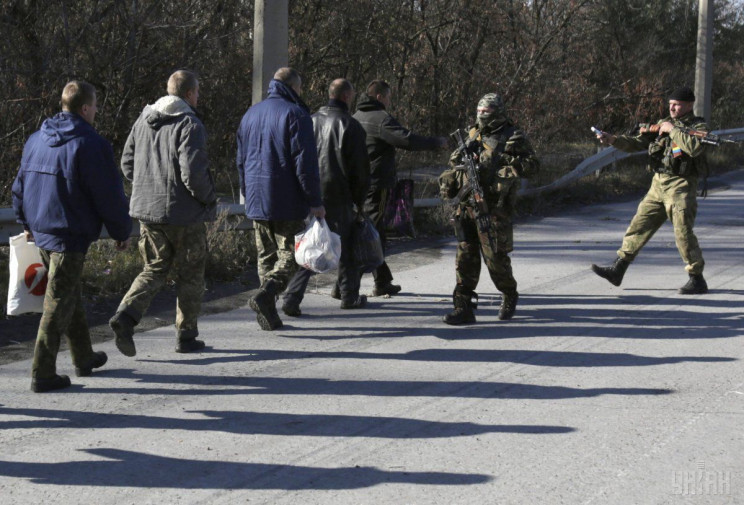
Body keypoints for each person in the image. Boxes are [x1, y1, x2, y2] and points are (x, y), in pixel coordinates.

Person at [12, 80, 132, 392]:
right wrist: (121, 231)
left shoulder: (36, 139)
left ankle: (84, 356)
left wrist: (24, 220)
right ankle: (43, 371)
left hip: (41, 230)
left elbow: (20, 185)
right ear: (84, 108)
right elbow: (107, 195)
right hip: (68, 234)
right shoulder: (91, 144)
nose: (96, 112)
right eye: (94, 107)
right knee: (58, 301)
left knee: (68, 293)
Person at [109, 70, 217, 357]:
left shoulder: (143, 119)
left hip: (147, 211)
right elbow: (193, 174)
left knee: (154, 268)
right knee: (190, 274)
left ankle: (126, 316)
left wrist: (146, 187)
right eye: (197, 92)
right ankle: (186, 335)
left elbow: (127, 163)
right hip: (184, 215)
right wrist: (208, 200)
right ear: (190, 93)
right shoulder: (189, 124)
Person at [591, 86, 709, 294]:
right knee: (639, 225)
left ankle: (696, 278)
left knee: (682, 232)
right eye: (670, 104)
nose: (672, 108)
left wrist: (672, 130)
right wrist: (613, 140)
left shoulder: (697, 125)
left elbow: (694, 148)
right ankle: (618, 269)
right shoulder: (662, 124)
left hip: (681, 184)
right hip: (658, 183)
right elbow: (638, 143)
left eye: (677, 104)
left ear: (689, 105)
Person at [236, 67, 325, 330]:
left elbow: (240, 160)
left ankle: (268, 312)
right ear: (295, 88)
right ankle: (267, 294)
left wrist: (246, 193)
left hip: (255, 197)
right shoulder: (296, 114)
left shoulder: (250, 114)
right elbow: (305, 163)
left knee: (266, 256)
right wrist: (315, 200)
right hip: (286, 198)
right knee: (293, 255)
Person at [438, 93, 539, 325]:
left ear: (499, 111)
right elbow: (455, 164)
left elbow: (533, 165)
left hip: (494, 207)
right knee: (465, 256)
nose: (482, 114)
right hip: (466, 205)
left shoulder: (513, 136)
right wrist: (465, 156)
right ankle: (463, 306)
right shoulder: (472, 133)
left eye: (488, 111)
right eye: (480, 110)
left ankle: (509, 293)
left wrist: (501, 160)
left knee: (495, 258)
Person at [281, 78, 370, 316]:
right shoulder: (350, 126)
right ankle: (348, 296)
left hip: (311, 195)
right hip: (339, 195)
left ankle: (292, 296)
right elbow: (360, 170)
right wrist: (360, 201)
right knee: (347, 247)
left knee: (314, 244)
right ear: (347, 97)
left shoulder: (308, 121)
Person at [353, 80, 448, 297]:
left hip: (357, 184)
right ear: (379, 97)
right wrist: (435, 142)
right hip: (376, 184)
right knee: (372, 234)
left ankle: (382, 281)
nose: (389, 101)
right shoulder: (380, 119)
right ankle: (347, 284)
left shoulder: (355, 117)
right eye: (388, 97)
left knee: (369, 230)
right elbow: (406, 140)